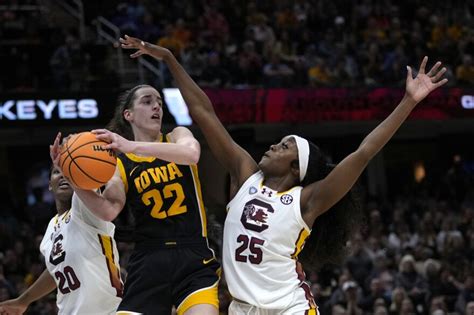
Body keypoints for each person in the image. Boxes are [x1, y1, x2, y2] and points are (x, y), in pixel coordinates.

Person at [119, 35, 448, 314]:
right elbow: (204, 111)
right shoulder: (245, 173)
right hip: (243, 308)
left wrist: (408, 101)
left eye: (285, 146)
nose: (275, 146)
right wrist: (171, 60)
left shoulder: (306, 200)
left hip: (290, 307)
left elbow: (364, 152)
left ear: (296, 168)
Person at [49, 55, 220, 314]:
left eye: (159, 102)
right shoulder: (120, 164)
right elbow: (108, 210)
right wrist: (71, 176)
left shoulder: (176, 136)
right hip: (149, 258)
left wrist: (130, 146)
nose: (157, 107)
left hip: (193, 253)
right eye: (147, 101)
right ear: (128, 114)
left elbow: (191, 155)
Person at [0, 163, 122, 315]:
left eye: (68, 171)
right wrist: (23, 301)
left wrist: (72, 154)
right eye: (57, 172)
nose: (64, 175)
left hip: (108, 311)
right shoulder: (51, 227)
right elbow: (56, 270)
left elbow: (86, 177)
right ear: (50, 184)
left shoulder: (86, 209)